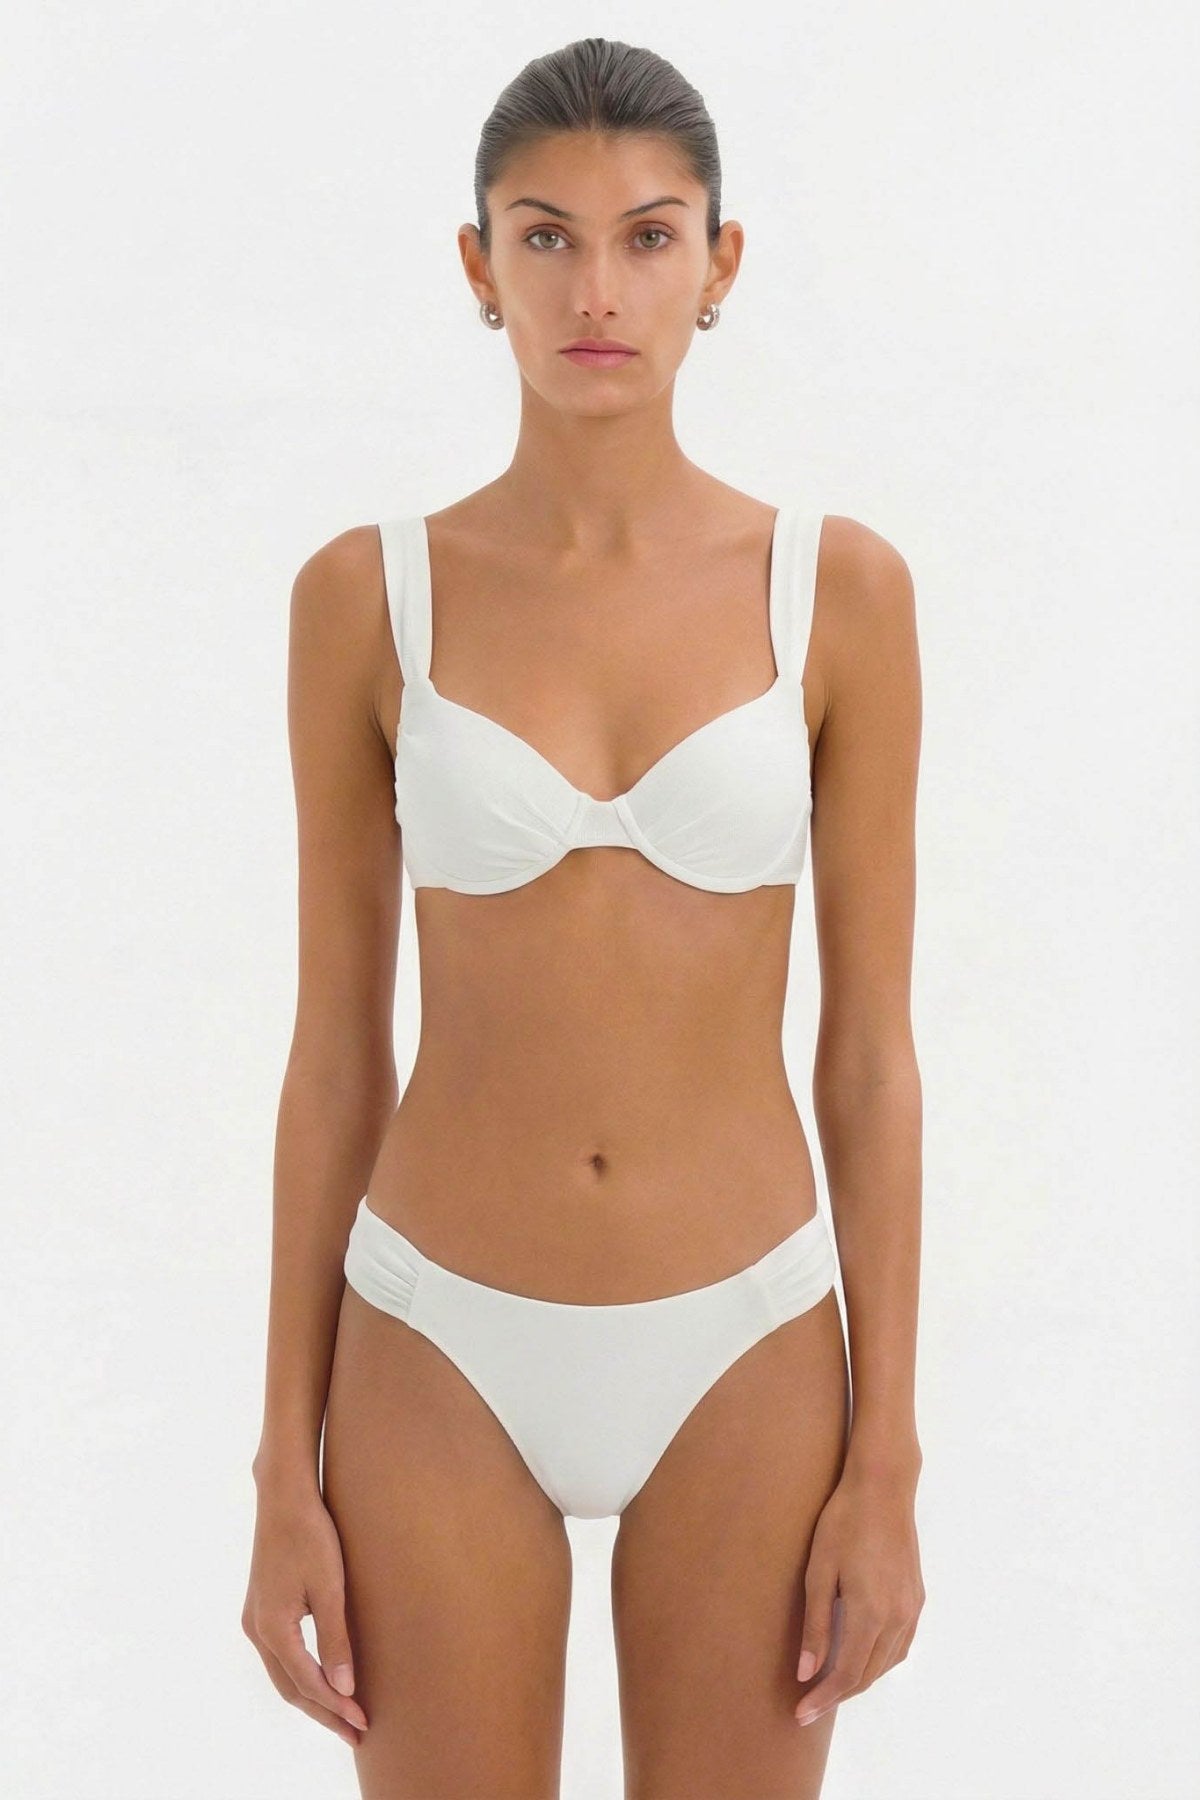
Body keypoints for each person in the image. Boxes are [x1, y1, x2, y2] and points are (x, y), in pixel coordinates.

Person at [242, 34, 925, 1800]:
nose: (596, 290)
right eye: (545, 237)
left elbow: (868, 1056)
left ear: (720, 261)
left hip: (748, 1333)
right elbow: (335, 1054)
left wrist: (890, 1464)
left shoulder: (837, 593)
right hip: (436, 1335)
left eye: (647, 236)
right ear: (479, 266)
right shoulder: (365, 597)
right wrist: (278, 1468)